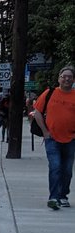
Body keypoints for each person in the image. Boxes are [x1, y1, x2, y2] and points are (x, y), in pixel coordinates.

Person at [31, 65, 75, 210]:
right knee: (55, 167)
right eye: (64, 77)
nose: (67, 79)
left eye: (70, 77)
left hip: (71, 139)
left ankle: (63, 196)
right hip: (52, 138)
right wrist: (45, 131)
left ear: (73, 80)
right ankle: (54, 198)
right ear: (59, 79)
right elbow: (37, 112)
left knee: (67, 170)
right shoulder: (49, 93)